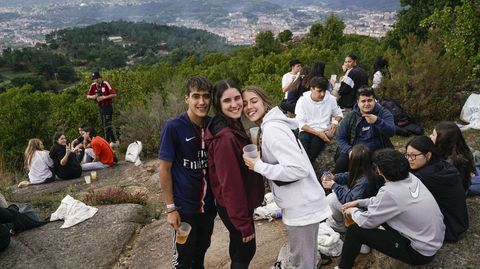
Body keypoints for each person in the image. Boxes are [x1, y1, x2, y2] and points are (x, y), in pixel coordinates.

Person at [242, 86, 332, 269]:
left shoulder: (273, 129)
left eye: (253, 101)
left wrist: (259, 166)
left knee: (303, 264)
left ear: (265, 102)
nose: (249, 106)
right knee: (306, 258)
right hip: (302, 203)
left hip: (302, 208)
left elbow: (298, 169)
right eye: (244, 103)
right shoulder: (272, 126)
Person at [338, 149, 445, 269]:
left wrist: (352, 211)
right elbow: (385, 203)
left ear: (382, 171)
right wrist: (359, 202)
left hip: (419, 252)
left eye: (377, 168)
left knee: (355, 231)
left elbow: (365, 222)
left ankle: (343, 267)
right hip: (431, 240)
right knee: (375, 215)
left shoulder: (390, 191)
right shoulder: (411, 178)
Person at [158, 76, 217, 269]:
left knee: (201, 251)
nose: (201, 102)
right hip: (184, 209)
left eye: (206, 96)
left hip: (208, 207)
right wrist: (171, 209)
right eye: (196, 96)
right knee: (184, 257)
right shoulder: (174, 127)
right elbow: (164, 169)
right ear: (186, 98)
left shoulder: (213, 125)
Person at [205, 79, 264, 269]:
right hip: (234, 205)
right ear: (218, 104)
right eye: (227, 101)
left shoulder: (230, 125)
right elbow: (230, 184)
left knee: (238, 247)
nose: (235, 104)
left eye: (237, 98)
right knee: (247, 249)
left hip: (232, 205)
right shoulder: (226, 138)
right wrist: (242, 222)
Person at [405, 136, 469, 242]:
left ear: (428, 155)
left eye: (414, 155)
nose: (409, 159)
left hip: (448, 228)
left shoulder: (424, 177)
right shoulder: (441, 163)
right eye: (407, 155)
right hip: (458, 221)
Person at [323, 144, 382, 233]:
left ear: (355, 162)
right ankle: (342, 222)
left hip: (364, 211)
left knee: (331, 198)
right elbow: (350, 175)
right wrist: (335, 178)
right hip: (365, 204)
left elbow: (350, 199)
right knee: (337, 189)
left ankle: (339, 225)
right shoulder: (369, 169)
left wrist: (333, 185)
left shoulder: (365, 181)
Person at [335, 87, 395, 173]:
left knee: (389, 164)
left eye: (369, 100)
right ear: (358, 102)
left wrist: (377, 121)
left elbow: (391, 132)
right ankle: (335, 183)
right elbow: (340, 138)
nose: (367, 104)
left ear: (374, 100)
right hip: (356, 150)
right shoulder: (350, 116)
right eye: (363, 101)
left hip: (378, 150)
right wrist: (349, 150)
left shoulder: (383, 113)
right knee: (341, 162)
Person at [295, 76, 343, 164]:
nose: (322, 94)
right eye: (319, 91)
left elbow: (339, 114)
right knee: (303, 147)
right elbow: (301, 124)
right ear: (311, 89)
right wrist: (318, 134)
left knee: (315, 146)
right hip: (307, 130)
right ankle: (303, 168)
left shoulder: (330, 99)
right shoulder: (302, 101)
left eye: (324, 91)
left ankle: (304, 169)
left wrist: (334, 123)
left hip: (323, 130)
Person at [431, 121, 474, 192]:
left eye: (433, 135)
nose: (430, 136)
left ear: (442, 140)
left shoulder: (447, 163)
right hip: (463, 189)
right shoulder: (464, 151)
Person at [86, 71, 118, 146]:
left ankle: (106, 144)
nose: (96, 80)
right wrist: (93, 97)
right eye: (94, 79)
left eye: (97, 78)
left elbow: (114, 94)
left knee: (107, 126)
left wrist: (104, 97)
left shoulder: (105, 84)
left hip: (108, 107)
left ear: (100, 78)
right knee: (105, 125)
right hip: (100, 107)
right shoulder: (93, 85)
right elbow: (87, 96)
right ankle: (114, 141)